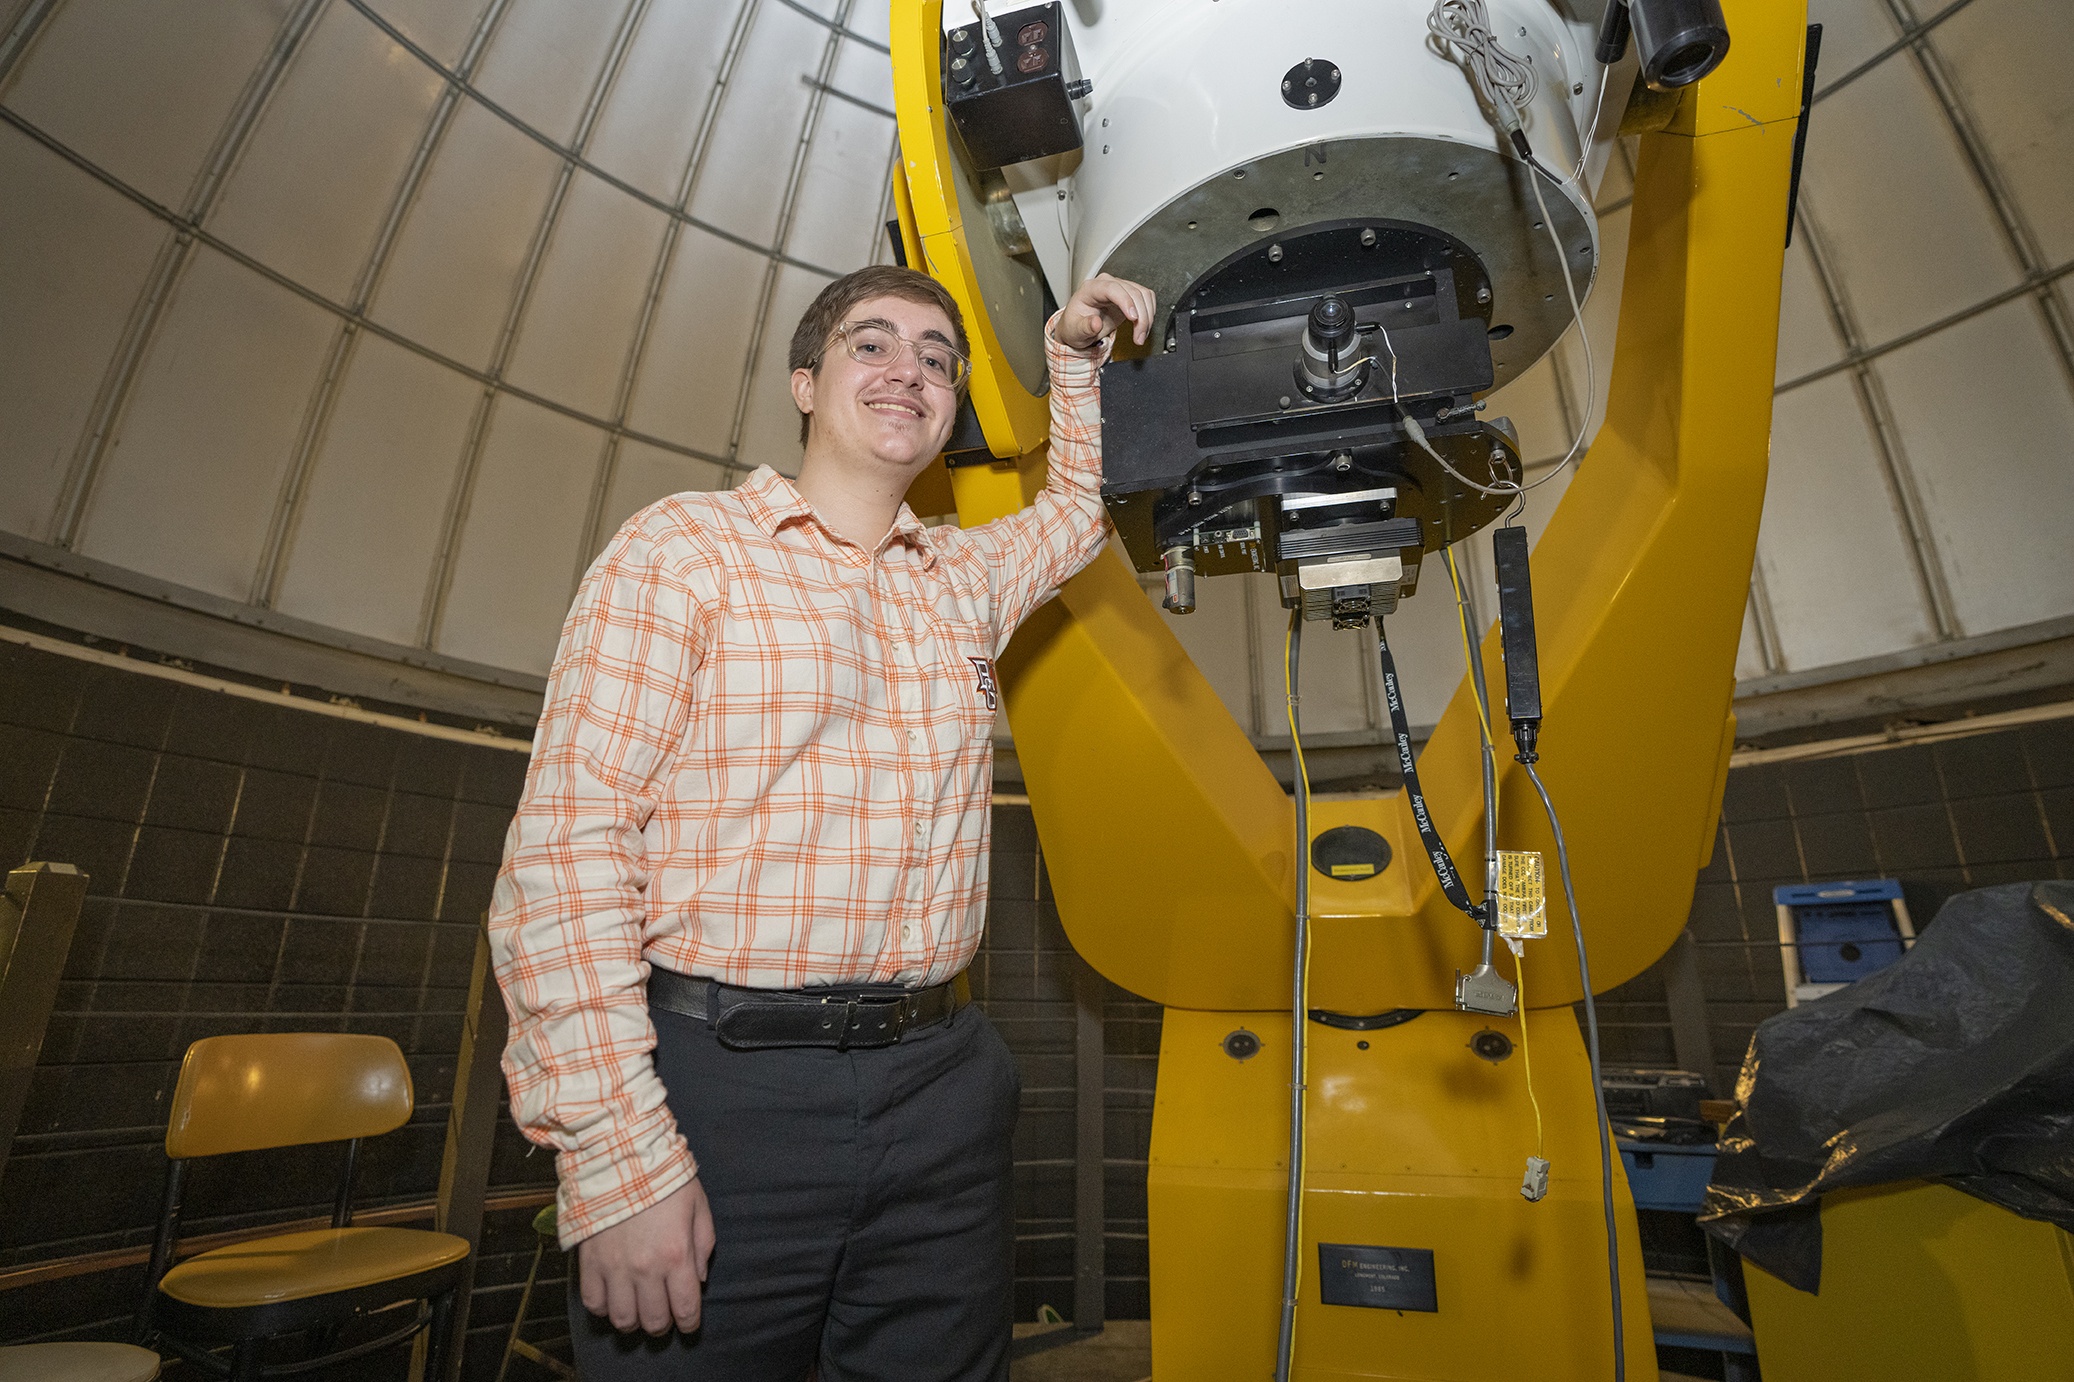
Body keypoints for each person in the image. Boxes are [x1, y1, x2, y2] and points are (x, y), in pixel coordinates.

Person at [488, 262, 1156, 1381]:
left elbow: (1079, 511)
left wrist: (1073, 359)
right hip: (720, 1091)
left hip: (941, 1090)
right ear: (805, 381)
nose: (910, 370)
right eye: (872, 343)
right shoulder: (683, 550)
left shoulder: (961, 576)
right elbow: (567, 851)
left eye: (938, 358)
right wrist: (616, 1157)